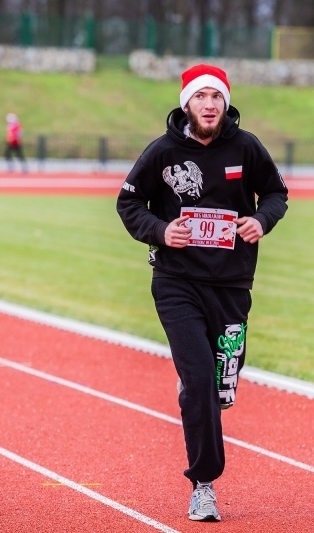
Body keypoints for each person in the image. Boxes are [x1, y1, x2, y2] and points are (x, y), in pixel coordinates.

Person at [116, 64, 288, 522]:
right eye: (200, 97)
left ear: (225, 103)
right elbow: (128, 201)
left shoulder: (246, 147)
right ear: (186, 103)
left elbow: (275, 194)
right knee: (199, 384)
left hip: (232, 285)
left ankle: (206, 387)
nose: (209, 104)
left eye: (216, 96)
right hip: (177, 283)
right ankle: (204, 483)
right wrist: (159, 229)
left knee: (221, 387)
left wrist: (261, 220)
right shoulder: (163, 151)